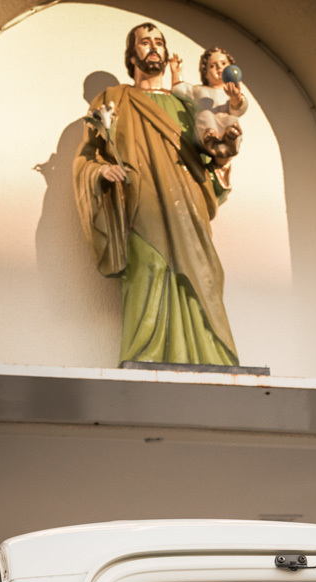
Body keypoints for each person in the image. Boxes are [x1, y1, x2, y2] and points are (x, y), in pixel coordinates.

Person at [73, 22, 239, 368]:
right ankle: (145, 355)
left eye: (159, 42)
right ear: (131, 53)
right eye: (145, 42)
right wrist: (101, 172)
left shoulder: (186, 102)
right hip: (140, 203)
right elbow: (88, 155)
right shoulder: (111, 100)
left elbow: (209, 161)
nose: (153, 48)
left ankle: (212, 355)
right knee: (148, 268)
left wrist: (224, 157)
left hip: (189, 204)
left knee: (204, 272)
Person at [169, 47, 247, 190]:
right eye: (212, 65)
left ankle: (230, 137)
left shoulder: (233, 93)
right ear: (205, 72)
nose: (219, 68)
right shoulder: (199, 91)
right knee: (205, 115)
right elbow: (179, 89)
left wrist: (235, 97)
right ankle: (210, 136)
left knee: (231, 120)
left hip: (225, 130)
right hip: (207, 132)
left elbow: (238, 109)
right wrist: (176, 72)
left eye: (223, 64)